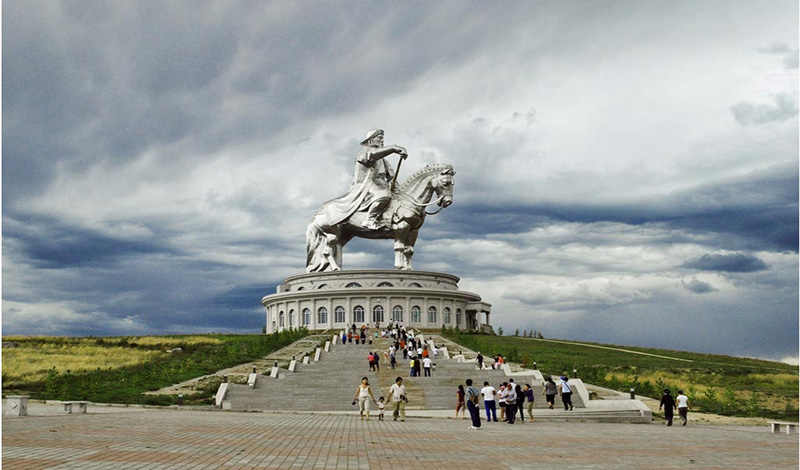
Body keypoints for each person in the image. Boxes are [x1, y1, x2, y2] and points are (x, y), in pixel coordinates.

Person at [323, 129, 408, 230]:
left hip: (381, 185)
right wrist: (393, 148)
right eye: (379, 138)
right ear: (371, 140)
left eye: (383, 138)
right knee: (384, 195)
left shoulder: (383, 160)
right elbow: (372, 155)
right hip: (367, 184)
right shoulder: (364, 151)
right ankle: (370, 220)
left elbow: (391, 176)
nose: (382, 141)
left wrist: (397, 189)